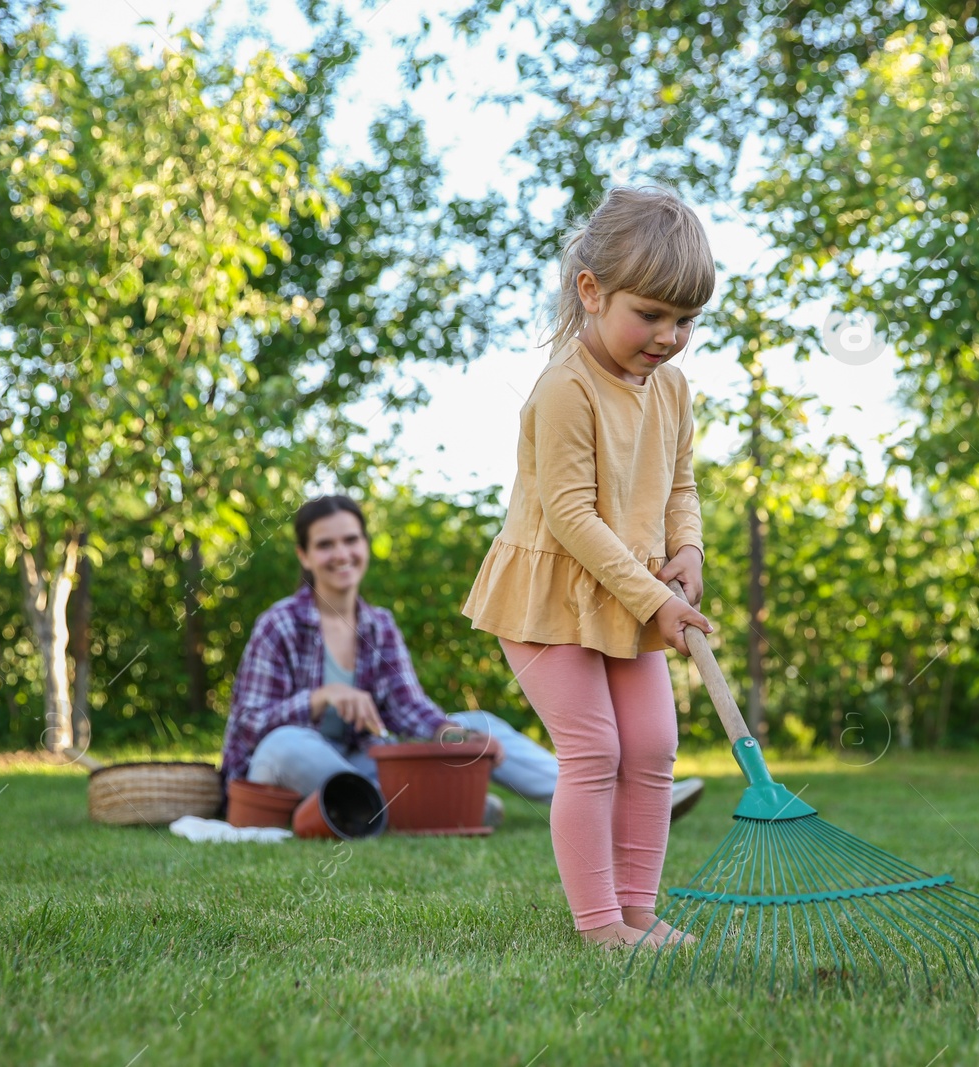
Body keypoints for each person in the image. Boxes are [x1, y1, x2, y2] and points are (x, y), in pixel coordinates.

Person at [463, 185, 716, 949]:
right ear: (591, 290)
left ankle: (639, 911)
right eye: (652, 314)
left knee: (651, 746)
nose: (669, 337)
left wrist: (689, 549)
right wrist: (656, 601)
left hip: (630, 596)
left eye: (685, 320)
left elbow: (681, 484)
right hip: (549, 595)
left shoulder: (670, 387)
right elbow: (571, 517)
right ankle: (601, 925)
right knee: (596, 749)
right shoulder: (565, 388)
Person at [218, 495, 706, 826]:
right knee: (289, 744)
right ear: (305, 556)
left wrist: (460, 740)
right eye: (325, 544)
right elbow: (249, 727)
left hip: (359, 765)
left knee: (480, 724)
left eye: (350, 540)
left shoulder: (378, 625)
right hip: (279, 768)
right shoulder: (279, 625)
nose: (340, 554)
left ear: (365, 546)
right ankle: (436, 809)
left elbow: (412, 711)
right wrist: (319, 699)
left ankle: (617, 803)